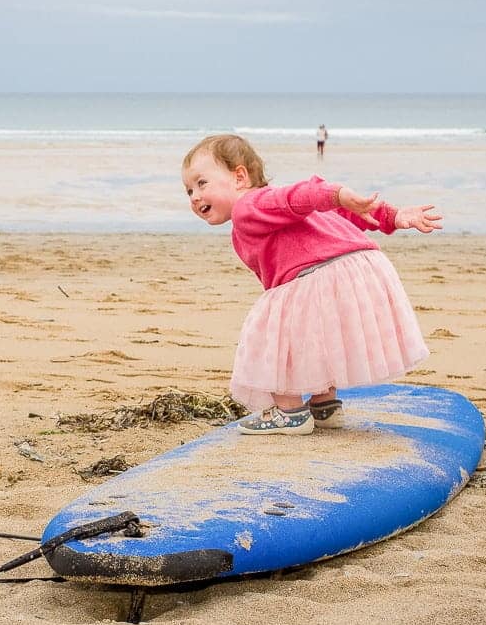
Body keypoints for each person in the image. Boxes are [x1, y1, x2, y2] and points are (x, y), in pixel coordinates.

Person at [181, 134, 441, 436]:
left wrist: (336, 193)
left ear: (240, 177)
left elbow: (301, 195)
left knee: (272, 338)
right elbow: (347, 211)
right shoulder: (270, 208)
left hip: (320, 272)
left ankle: (290, 412)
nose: (195, 197)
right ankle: (324, 405)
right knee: (317, 340)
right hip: (359, 266)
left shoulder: (249, 206)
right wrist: (392, 217)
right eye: (189, 190)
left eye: (202, 183)